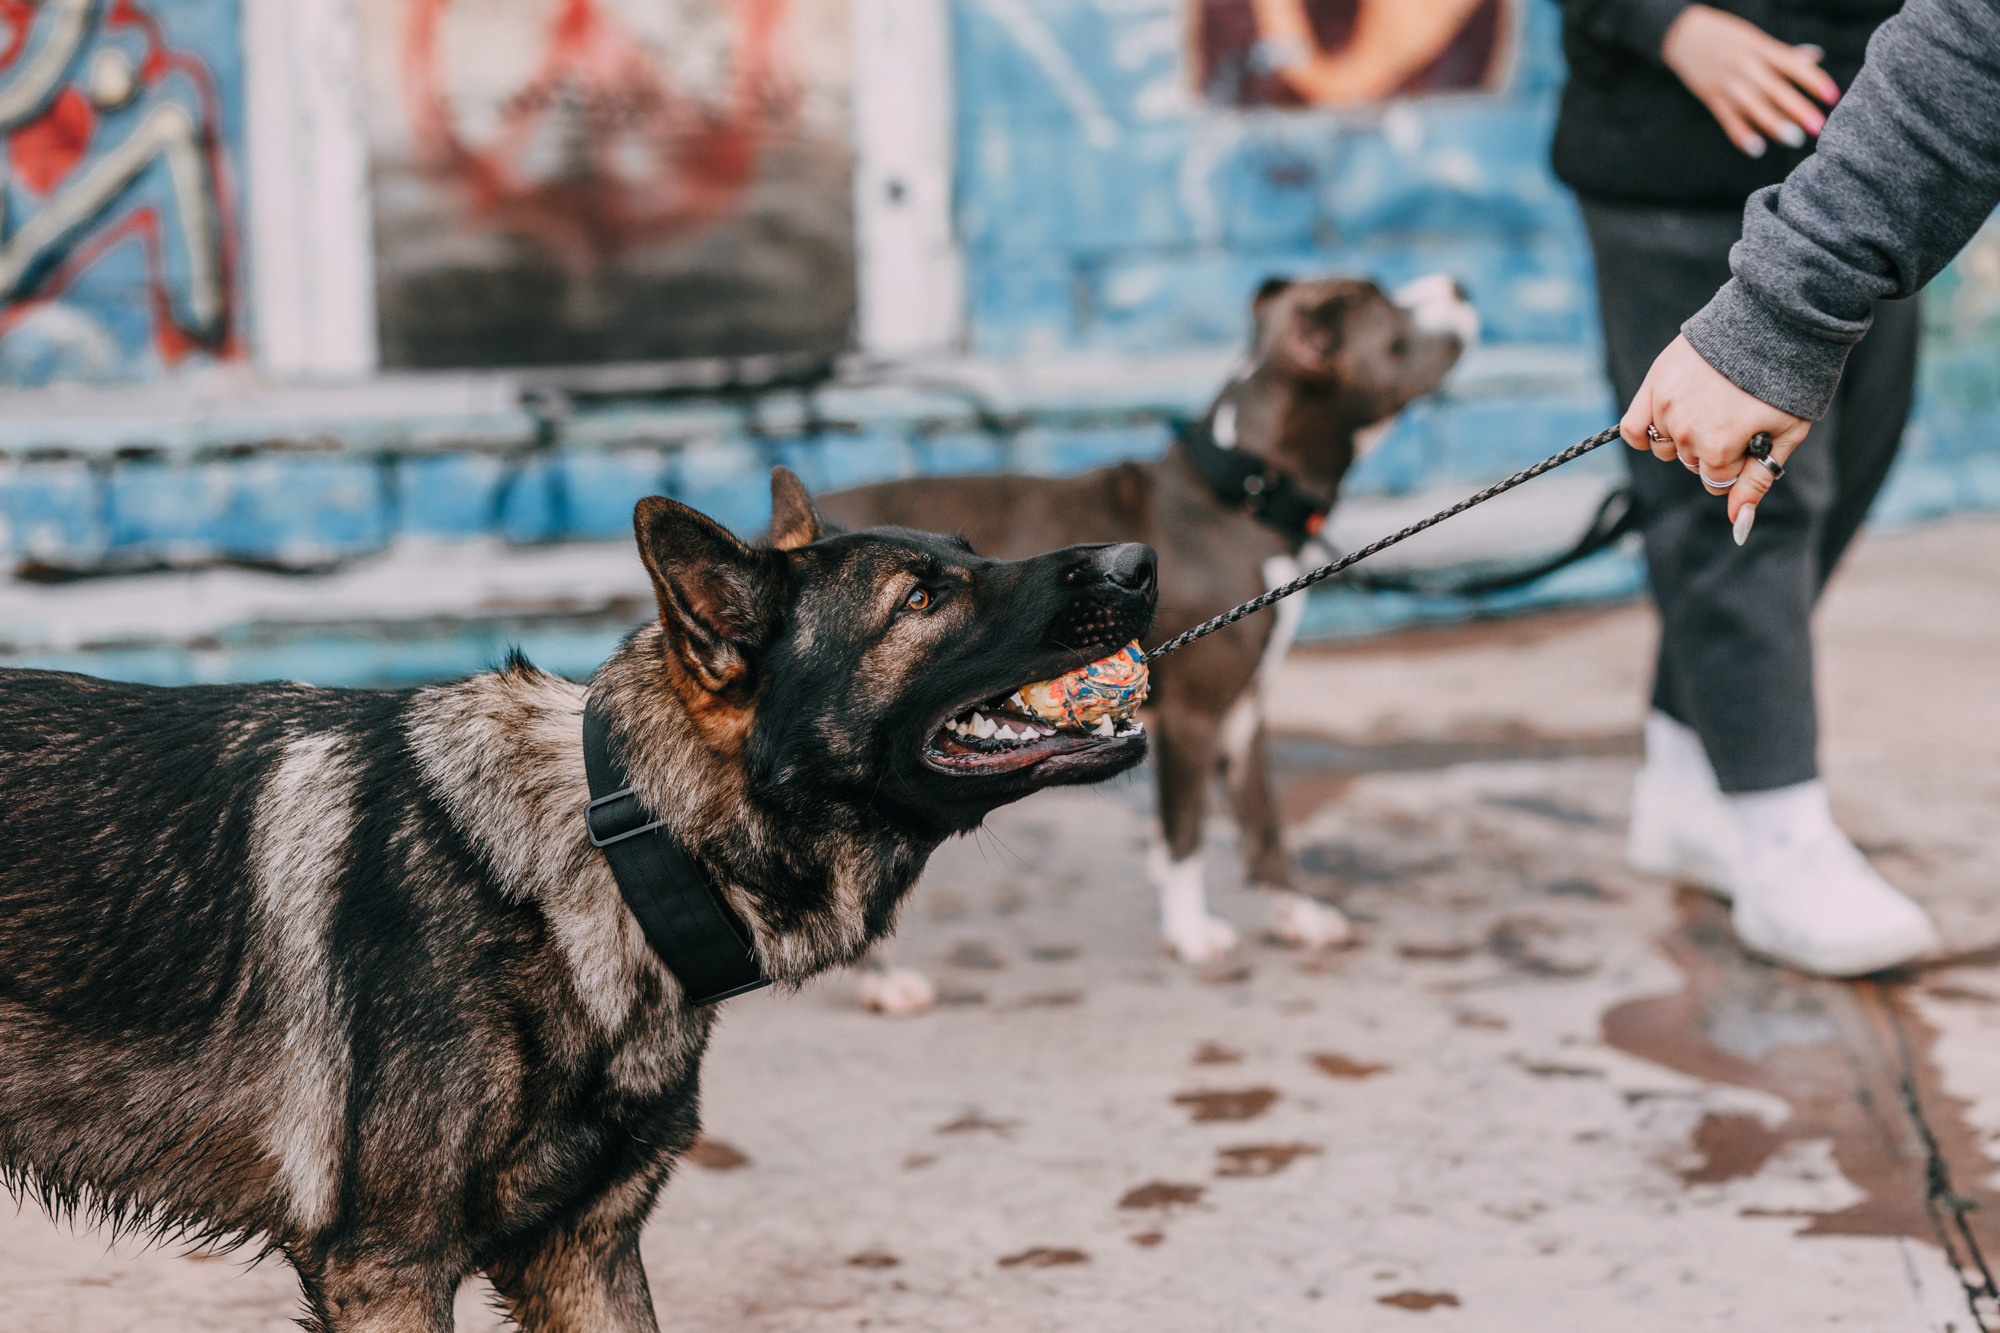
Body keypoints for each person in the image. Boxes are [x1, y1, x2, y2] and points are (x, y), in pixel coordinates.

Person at [1552, 0, 1947, 976]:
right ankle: (1781, 840)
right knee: (1739, 505)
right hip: (1674, 160)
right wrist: (1668, 26)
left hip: (1867, 159)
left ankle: (1687, 782)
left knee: (1857, 463)